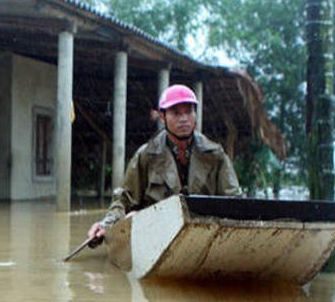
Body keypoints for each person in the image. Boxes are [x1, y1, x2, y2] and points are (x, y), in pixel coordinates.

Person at [88, 84, 242, 241]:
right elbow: (124, 199)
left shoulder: (215, 154)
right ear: (163, 117)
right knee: (132, 217)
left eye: (188, 112)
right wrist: (106, 225)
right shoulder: (146, 155)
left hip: (204, 230)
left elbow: (234, 201)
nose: (184, 119)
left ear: (195, 114)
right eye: (175, 113)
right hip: (157, 230)